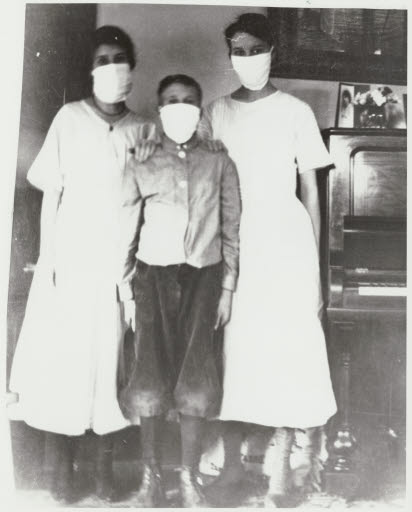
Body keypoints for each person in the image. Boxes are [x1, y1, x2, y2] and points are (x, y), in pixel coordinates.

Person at [8, 26, 157, 503]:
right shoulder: (69, 119)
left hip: (120, 264)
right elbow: (51, 193)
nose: (112, 67)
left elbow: (152, 203)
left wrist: (135, 272)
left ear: (131, 67)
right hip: (70, 258)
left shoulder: (145, 130)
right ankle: (59, 465)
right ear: (91, 71)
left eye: (119, 58)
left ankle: (105, 466)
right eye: (102, 60)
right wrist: (49, 260)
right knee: (65, 359)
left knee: (112, 360)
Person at [198, 13, 337, 506]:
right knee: (234, 346)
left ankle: (283, 471)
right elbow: (207, 185)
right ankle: (232, 469)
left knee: (285, 344)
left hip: (285, 237)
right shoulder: (215, 112)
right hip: (235, 238)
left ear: (273, 49)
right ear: (228, 54)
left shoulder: (296, 111)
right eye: (238, 49)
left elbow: (311, 193)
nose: (247, 58)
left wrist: (316, 271)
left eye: (256, 48)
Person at [118, 74, 241, 507]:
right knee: (148, 371)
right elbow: (126, 229)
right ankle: (150, 480)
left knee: (196, 373)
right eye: (171, 100)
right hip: (152, 276)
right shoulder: (142, 159)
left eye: (190, 101)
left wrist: (227, 287)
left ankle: (189, 479)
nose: (181, 107)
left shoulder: (219, 161)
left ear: (201, 108)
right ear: (158, 108)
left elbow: (231, 230)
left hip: (203, 277)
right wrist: (126, 290)